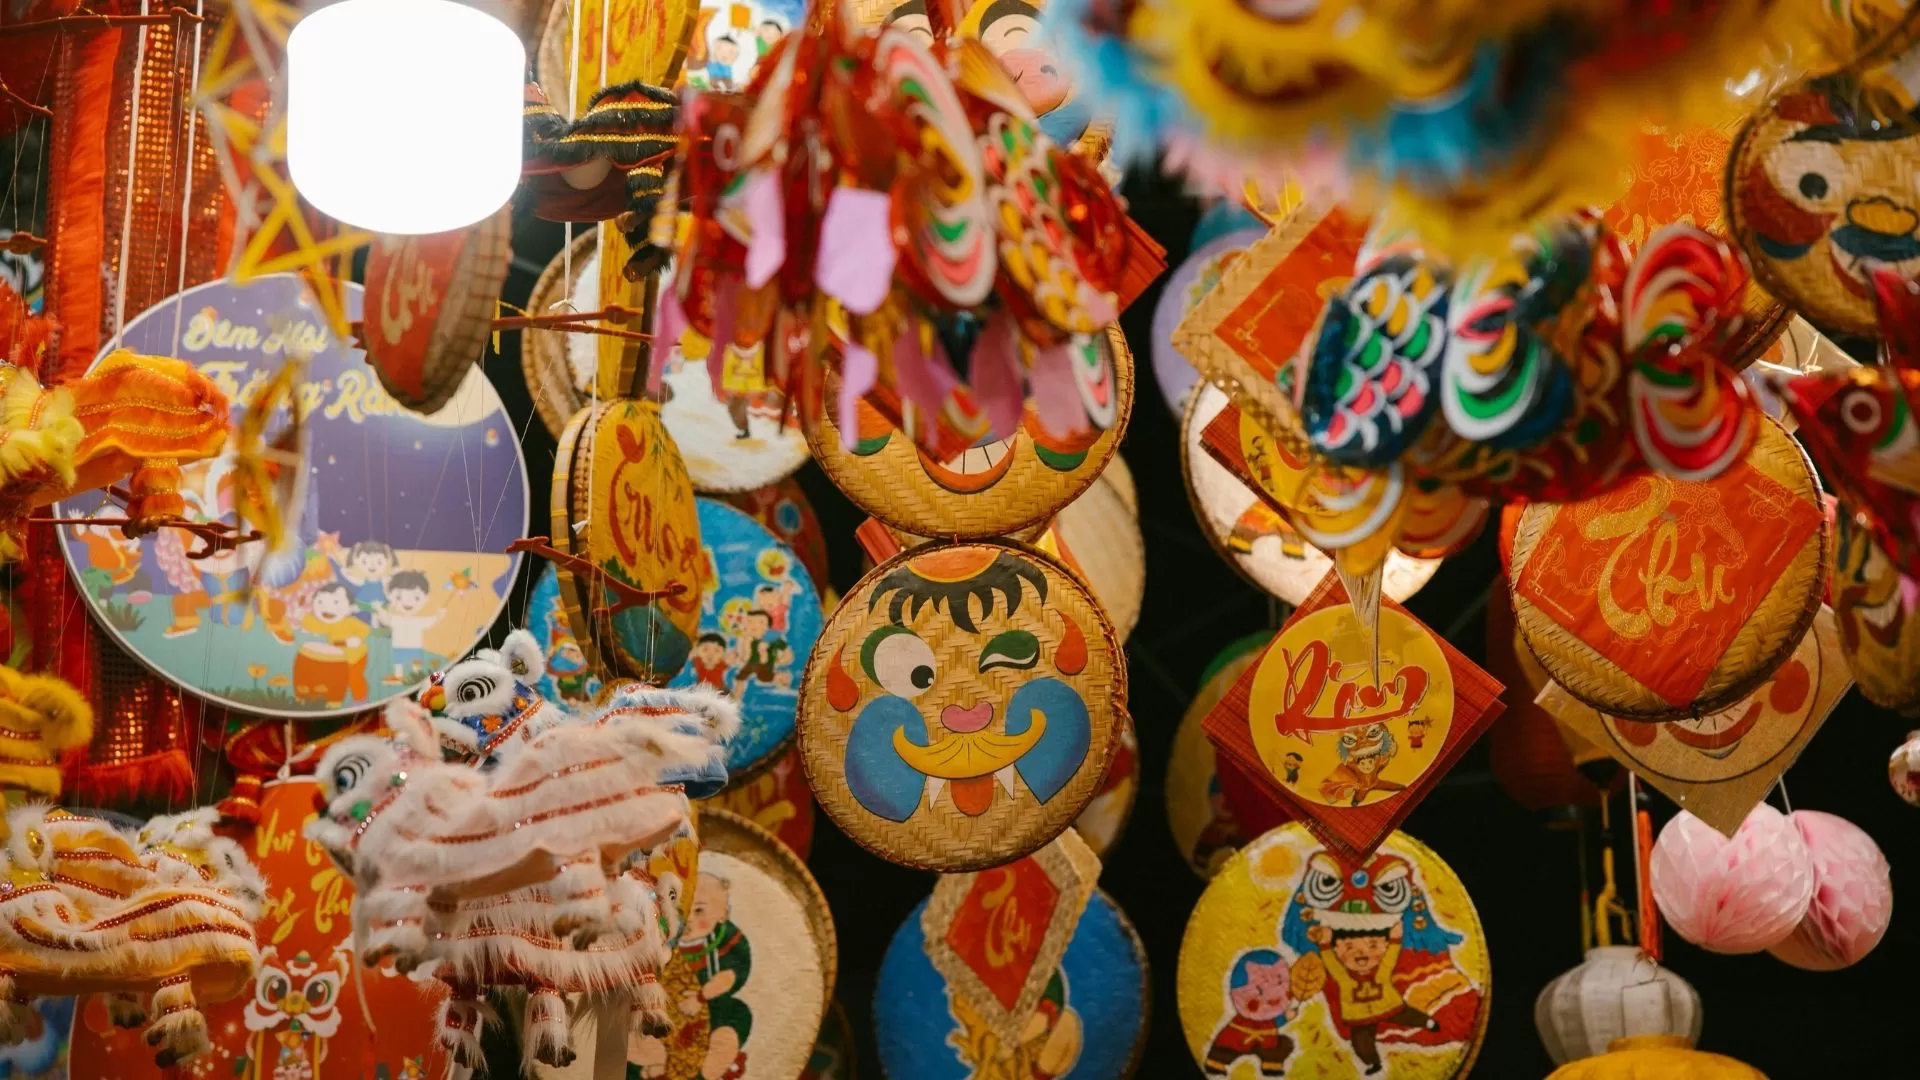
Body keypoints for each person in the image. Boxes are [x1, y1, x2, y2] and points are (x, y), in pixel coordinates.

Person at [1307, 922, 1439, 1075]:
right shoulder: (1344, 978)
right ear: (1336, 949)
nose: (1361, 953)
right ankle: (1373, 1062)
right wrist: (1324, 946)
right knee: (1360, 1041)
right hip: (1359, 1016)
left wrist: (1395, 939)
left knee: (1406, 1015)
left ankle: (1427, 1022)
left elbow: (1390, 958)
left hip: (1388, 1005)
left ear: (1384, 945)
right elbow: (1332, 965)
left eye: (1373, 946)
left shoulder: (1382, 971)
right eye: (1349, 948)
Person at [1205, 949, 1296, 1077]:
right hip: (1239, 1037)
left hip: (1266, 1040)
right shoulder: (1243, 1017)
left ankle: (1271, 1065)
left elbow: (1275, 1021)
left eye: (1280, 983)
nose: (1272, 995)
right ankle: (1216, 1063)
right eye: (1260, 990)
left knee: (1278, 1045)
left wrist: (1285, 1017)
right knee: (1226, 1045)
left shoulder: (1269, 1017)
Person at [294, 583, 371, 709]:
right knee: (334, 678)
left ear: (350, 608)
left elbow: (365, 630)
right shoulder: (327, 624)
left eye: (336, 603)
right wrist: (301, 616)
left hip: (355, 657)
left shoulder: (351, 622)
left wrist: (355, 639)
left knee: (353, 676)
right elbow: (314, 624)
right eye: (321, 602)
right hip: (337, 658)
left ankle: (360, 699)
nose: (328, 608)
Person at [377, 570, 443, 685]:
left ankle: (416, 676)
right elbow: (386, 619)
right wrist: (379, 609)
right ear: (390, 597)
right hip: (399, 646)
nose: (407, 602)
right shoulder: (396, 619)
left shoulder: (418, 621)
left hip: (415, 647)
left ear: (426, 598)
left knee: (416, 663)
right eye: (399, 597)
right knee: (399, 662)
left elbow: (432, 621)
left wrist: (439, 615)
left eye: (416, 598)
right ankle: (398, 677)